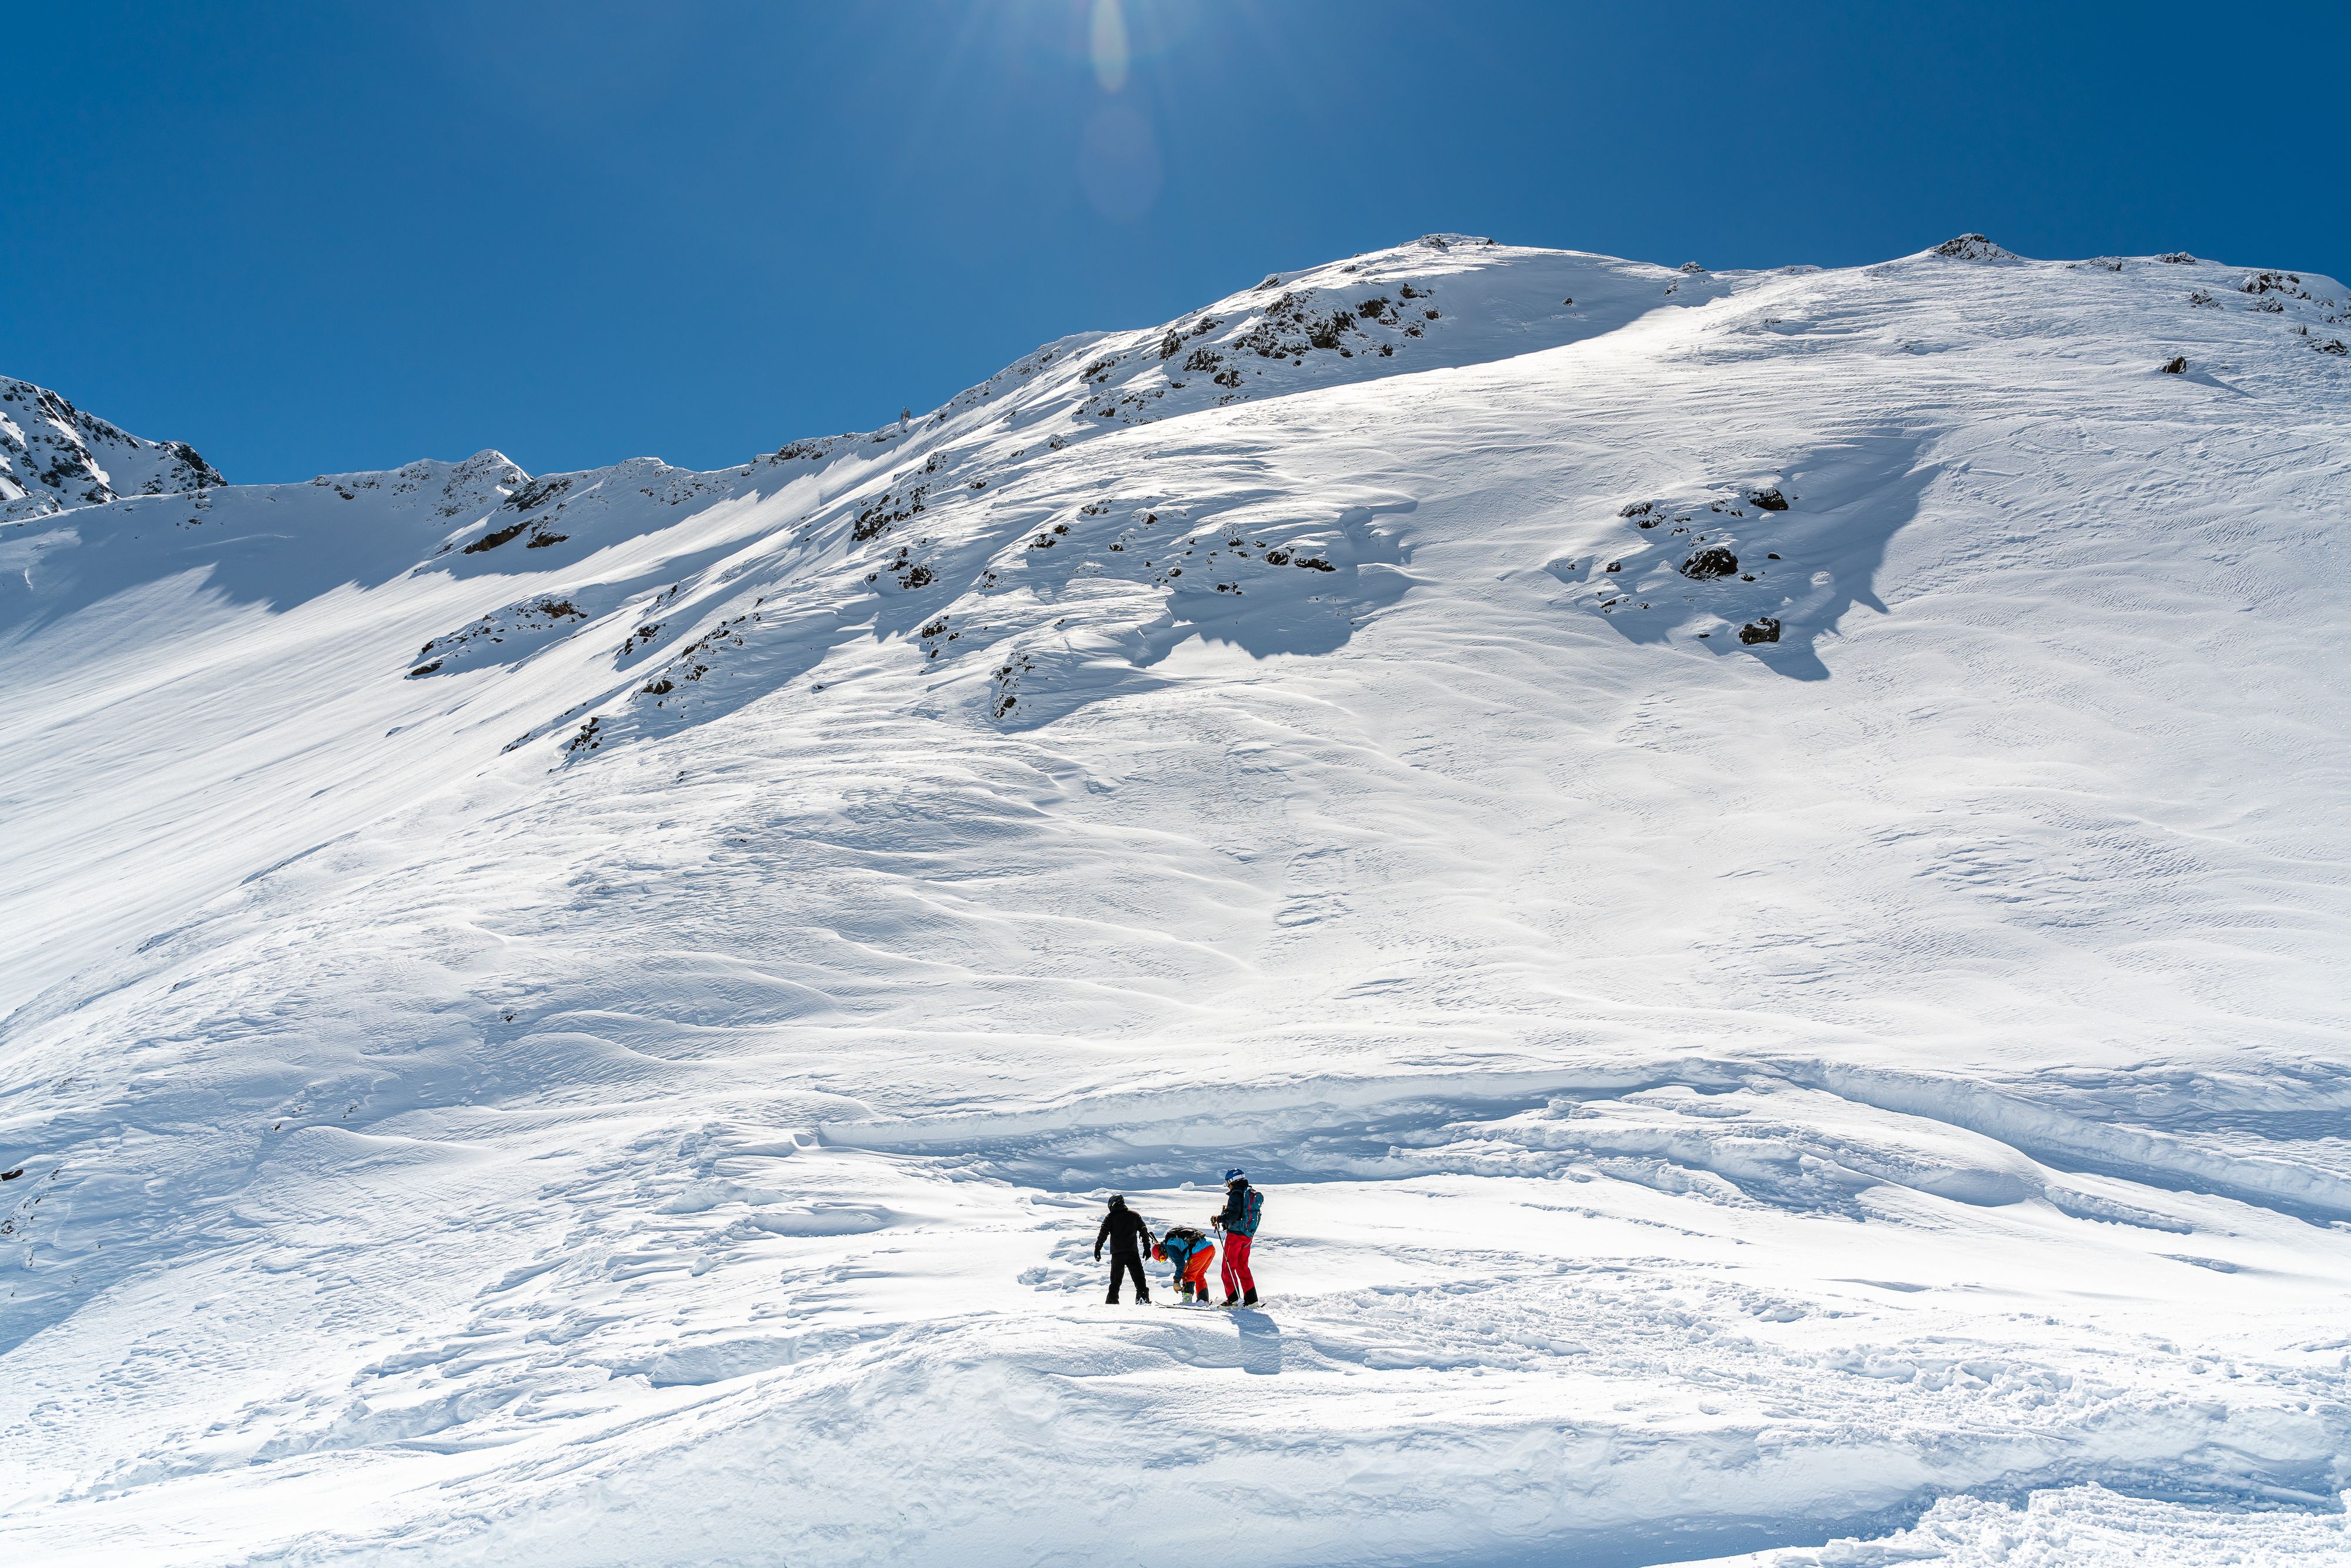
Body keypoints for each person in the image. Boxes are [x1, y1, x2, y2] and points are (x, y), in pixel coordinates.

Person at [1210, 1168, 1262, 1306]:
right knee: (1242, 1267)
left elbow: (1233, 1215)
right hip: (1247, 1236)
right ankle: (1252, 1300)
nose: (1228, 1185)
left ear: (1233, 1181)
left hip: (1235, 1236)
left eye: (1228, 1182)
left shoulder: (1236, 1194)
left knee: (1227, 1268)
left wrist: (1219, 1218)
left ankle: (1232, 1301)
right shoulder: (1248, 1193)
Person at [1093, 1194, 1154, 1304]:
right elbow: (1144, 1232)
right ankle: (1142, 1297)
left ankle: (1112, 1300)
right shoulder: (1134, 1215)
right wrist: (1147, 1247)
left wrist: (1098, 1247)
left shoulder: (1110, 1217)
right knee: (1139, 1277)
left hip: (1117, 1254)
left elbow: (1103, 1233)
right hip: (1132, 1252)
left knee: (1115, 1280)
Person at [1153, 1224, 1217, 1303]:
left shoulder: (1169, 1246)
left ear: (1162, 1250)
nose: (1166, 1258)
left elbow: (1181, 1264)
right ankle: (1203, 1301)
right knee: (1198, 1275)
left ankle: (1187, 1301)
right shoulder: (1172, 1240)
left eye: (1162, 1257)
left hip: (1200, 1251)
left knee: (1187, 1275)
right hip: (1210, 1248)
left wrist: (1176, 1281)